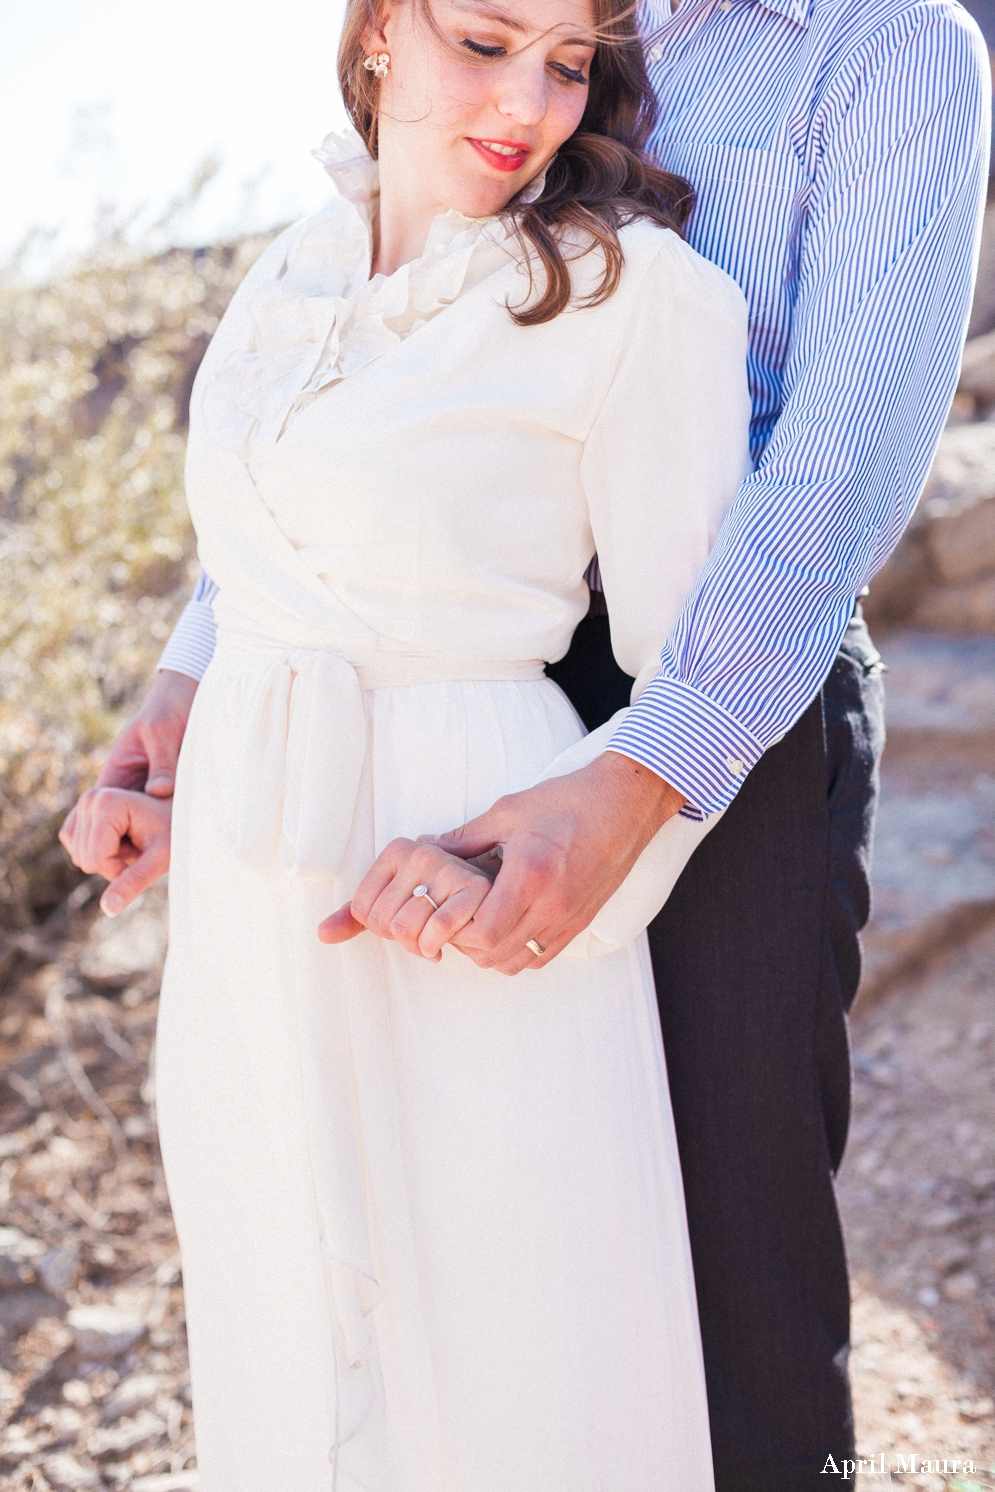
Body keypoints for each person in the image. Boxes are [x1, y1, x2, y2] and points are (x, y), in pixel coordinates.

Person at [62, 0, 991, 1486]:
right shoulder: (533, 18)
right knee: (464, 1257)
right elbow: (379, 383)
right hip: (453, 658)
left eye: (562, 69)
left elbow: (837, 470)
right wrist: (206, 664)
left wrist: (639, 771)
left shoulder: (883, 45)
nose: (540, 96)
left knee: (726, 1272)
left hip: (729, 678)